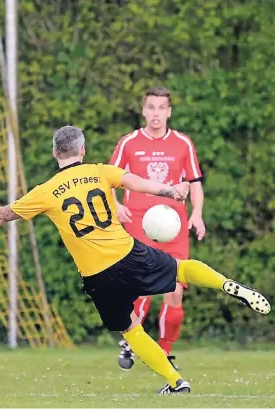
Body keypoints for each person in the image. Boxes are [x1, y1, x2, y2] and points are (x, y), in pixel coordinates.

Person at [0, 125, 270, 394]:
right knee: (179, 268)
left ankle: (176, 382)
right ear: (82, 149)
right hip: (128, 253)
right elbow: (139, 184)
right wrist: (172, 191)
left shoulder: (45, 192)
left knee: (131, 328)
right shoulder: (101, 171)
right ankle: (227, 285)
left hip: (98, 276)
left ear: (56, 153)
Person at [109, 86, 205, 369]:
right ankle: (131, 341)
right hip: (139, 224)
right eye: (151, 107)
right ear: (143, 110)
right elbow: (108, 177)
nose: (156, 113)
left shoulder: (182, 143)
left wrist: (197, 214)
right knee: (140, 288)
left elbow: (195, 182)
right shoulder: (129, 143)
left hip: (172, 226)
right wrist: (116, 205)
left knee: (175, 292)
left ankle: (163, 352)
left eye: (161, 108)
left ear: (169, 112)